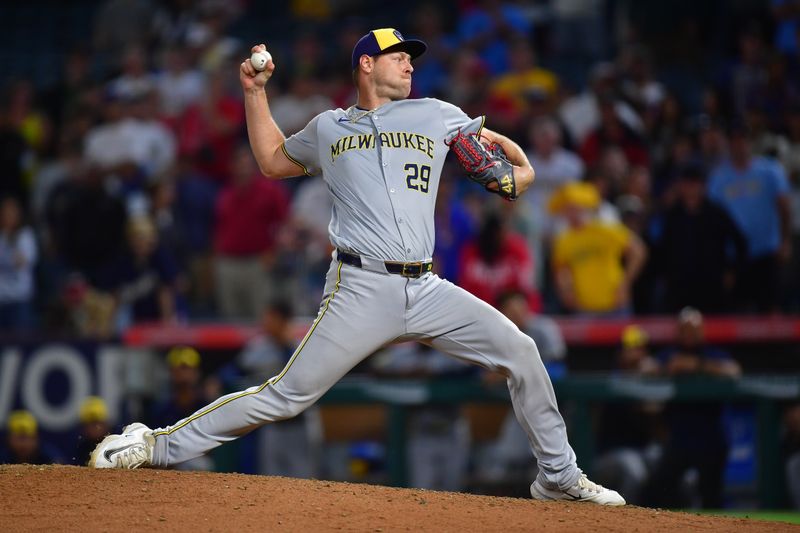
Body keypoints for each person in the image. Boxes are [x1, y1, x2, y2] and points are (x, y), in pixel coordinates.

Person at [89, 28, 624, 505]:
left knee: (523, 351)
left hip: (428, 285)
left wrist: (520, 175)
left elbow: (498, 177)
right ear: (366, 64)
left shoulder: (438, 114)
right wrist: (255, 93)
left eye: (411, 58)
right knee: (286, 395)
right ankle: (154, 445)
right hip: (361, 286)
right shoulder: (328, 127)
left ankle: (558, 475)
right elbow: (273, 161)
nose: (410, 64)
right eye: (398, 56)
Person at [642, 307, 742, 509]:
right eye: (684, 329)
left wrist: (696, 365)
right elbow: (646, 367)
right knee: (657, 488)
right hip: (680, 439)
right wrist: (664, 369)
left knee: (711, 496)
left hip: (711, 438)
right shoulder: (671, 354)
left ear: (702, 331)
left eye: (693, 329)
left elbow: (734, 371)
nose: (688, 334)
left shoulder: (712, 354)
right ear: (678, 332)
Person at [549, 182, 647, 316]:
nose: (572, 213)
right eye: (567, 209)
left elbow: (638, 251)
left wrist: (625, 283)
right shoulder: (563, 241)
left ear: (585, 206)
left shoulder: (605, 230)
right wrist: (566, 291)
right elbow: (561, 271)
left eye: (575, 207)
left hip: (616, 305)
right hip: (584, 309)